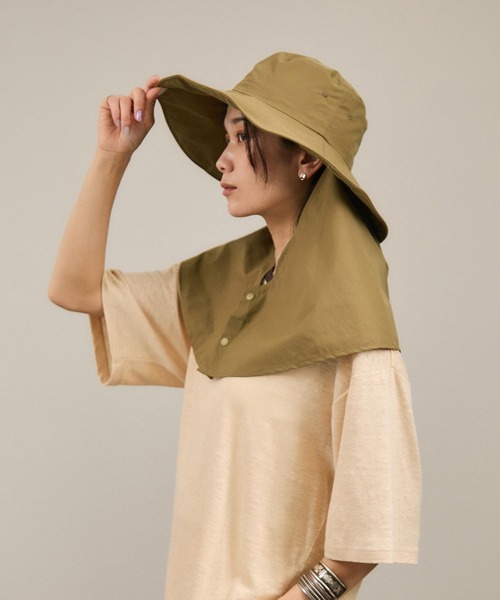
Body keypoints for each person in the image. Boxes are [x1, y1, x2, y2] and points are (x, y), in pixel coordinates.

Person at [49, 52, 421, 600]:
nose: (222, 160)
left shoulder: (355, 314)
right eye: (226, 137)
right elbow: (75, 290)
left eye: (242, 137)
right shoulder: (225, 281)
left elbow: (367, 531)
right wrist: (112, 156)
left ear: (307, 158)